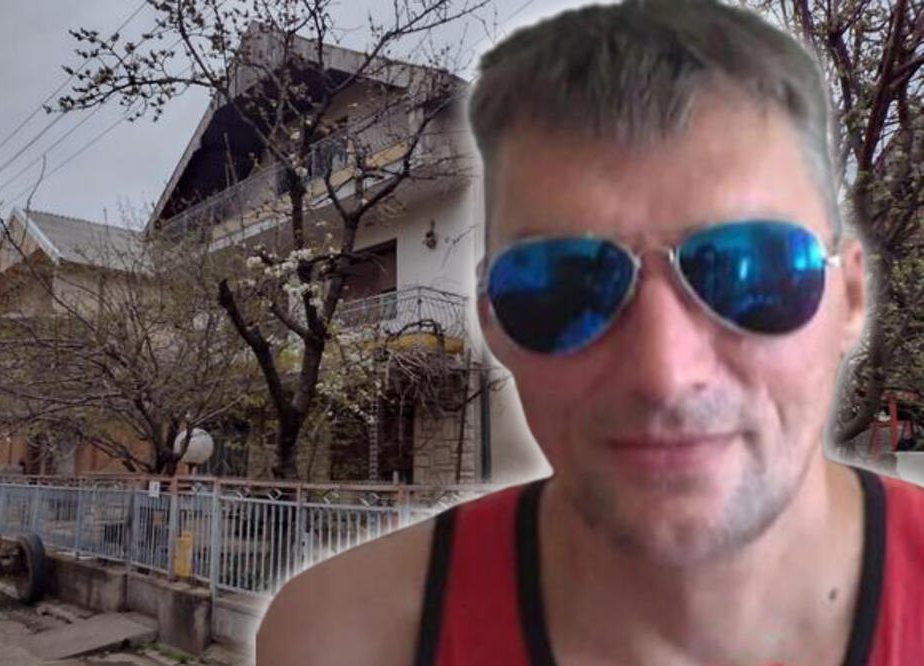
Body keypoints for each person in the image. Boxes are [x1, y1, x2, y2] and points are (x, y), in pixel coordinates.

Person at [255, 1, 924, 664]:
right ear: (492, 320)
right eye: (561, 285)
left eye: (752, 271)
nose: (663, 374)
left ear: (850, 297)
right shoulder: (344, 641)